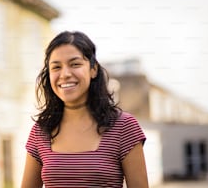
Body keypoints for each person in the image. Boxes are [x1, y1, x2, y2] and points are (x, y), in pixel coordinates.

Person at [21, 31, 149, 188]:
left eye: (75, 64)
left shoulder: (124, 126)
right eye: (56, 67)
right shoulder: (40, 132)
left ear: (93, 69)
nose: (65, 74)